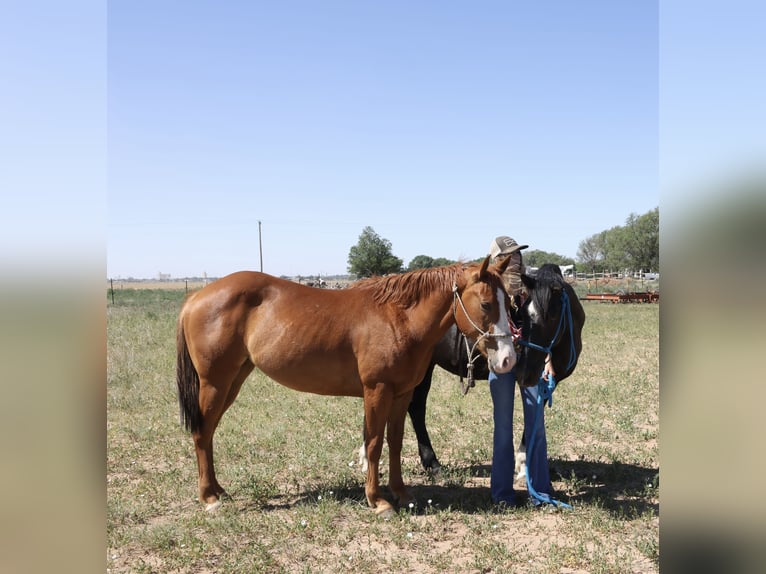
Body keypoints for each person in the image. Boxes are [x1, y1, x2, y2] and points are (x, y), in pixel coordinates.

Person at [487, 236, 554, 508]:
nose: (516, 259)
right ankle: (502, 495)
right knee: (503, 430)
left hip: (531, 364)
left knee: (536, 428)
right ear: (496, 260)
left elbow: (545, 327)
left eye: (518, 255)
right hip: (503, 366)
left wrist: (548, 358)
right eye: (509, 255)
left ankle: (541, 493)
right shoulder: (489, 292)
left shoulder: (533, 288)